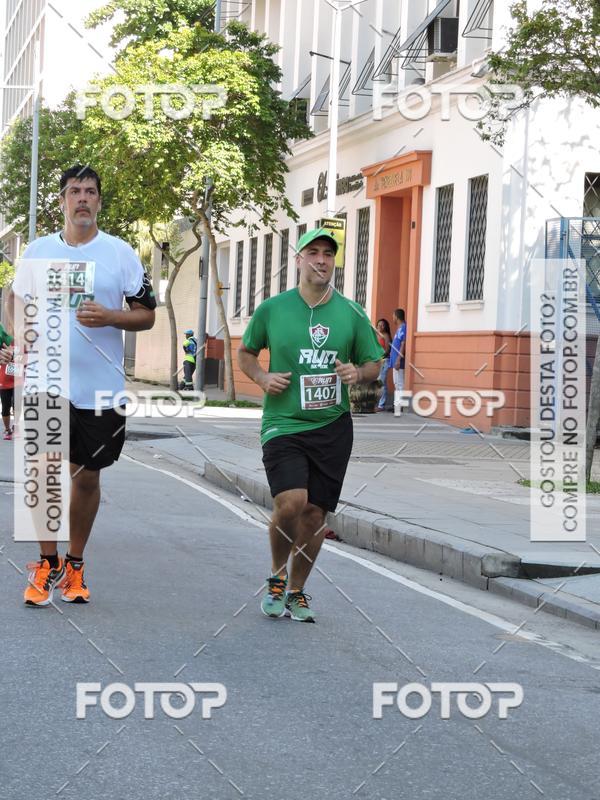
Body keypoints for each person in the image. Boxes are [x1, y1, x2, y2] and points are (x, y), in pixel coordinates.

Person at [3, 164, 156, 606]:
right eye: (75, 192)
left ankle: (75, 563)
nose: (83, 199)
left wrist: (111, 317)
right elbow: (14, 299)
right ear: (63, 201)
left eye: (90, 191)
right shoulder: (36, 251)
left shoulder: (120, 254)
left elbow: (146, 313)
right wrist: (18, 338)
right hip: (45, 381)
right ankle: (46, 562)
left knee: (87, 477)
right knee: (44, 473)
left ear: (99, 201)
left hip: (100, 386)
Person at [238, 227, 383, 623]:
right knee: (292, 502)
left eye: (328, 254)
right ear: (298, 260)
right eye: (313, 252)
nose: (321, 260)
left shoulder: (351, 312)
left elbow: (374, 362)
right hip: (283, 421)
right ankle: (276, 575)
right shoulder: (273, 308)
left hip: (332, 425)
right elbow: (246, 353)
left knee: (316, 515)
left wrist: (358, 373)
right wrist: (263, 379)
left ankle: (298, 591)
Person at [390, 308, 407, 417]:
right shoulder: (399, 328)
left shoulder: (404, 328)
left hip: (398, 361)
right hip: (394, 360)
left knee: (400, 383)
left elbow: (403, 344)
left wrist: (398, 359)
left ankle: (399, 406)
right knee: (396, 383)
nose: (392, 318)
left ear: (396, 316)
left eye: (393, 316)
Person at [0, 320, 15, 439]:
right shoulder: (4, 339)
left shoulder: (25, 339)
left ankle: (16, 427)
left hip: (19, 379)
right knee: (5, 407)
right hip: (4, 380)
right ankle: (7, 429)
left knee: (17, 406)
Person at [375, 318, 392, 412]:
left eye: (382, 325)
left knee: (382, 383)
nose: (380, 327)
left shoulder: (386, 335)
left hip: (384, 361)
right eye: (379, 325)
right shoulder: (376, 335)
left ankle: (381, 405)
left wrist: (380, 357)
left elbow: (387, 350)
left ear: (385, 327)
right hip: (377, 362)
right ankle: (378, 403)